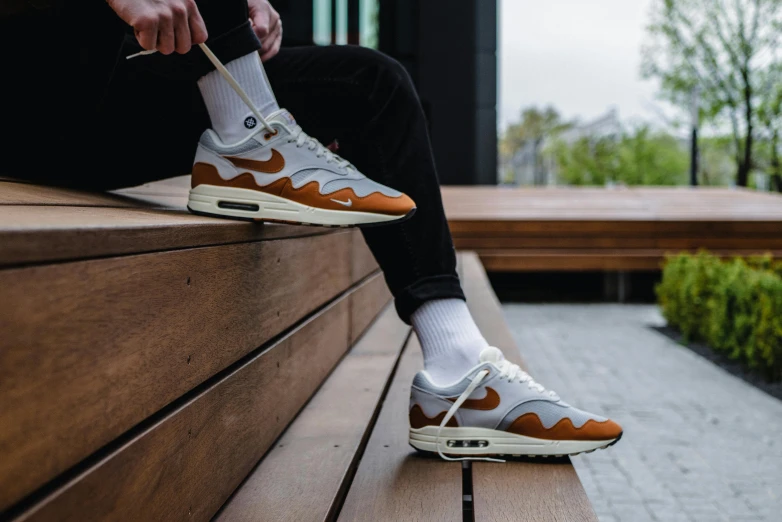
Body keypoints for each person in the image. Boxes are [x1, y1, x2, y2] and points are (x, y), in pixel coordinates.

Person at [2, 0, 621, 458]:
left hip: (107, 99)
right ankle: (249, 142)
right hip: (28, 92)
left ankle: (457, 367)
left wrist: (243, 19)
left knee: (373, 85)